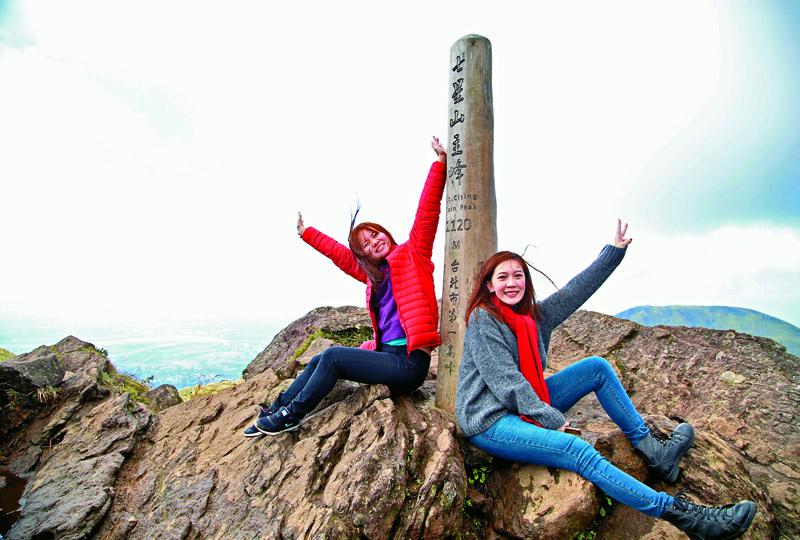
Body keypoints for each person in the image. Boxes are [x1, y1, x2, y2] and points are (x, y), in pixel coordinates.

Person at [454, 221, 756, 540]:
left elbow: (575, 290)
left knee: (596, 367)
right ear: (489, 285)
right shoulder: (483, 319)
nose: (511, 283)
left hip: (527, 402)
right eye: (502, 277)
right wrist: (552, 420)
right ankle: (686, 517)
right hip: (491, 420)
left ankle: (654, 450)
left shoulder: (533, 319)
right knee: (576, 449)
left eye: (518, 276)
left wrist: (614, 252)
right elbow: (508, 383)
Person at [244, 136, 447, 437]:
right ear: (364, 255)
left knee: (333, 357)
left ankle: (292, 416)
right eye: (366, 243)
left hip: (409, 363)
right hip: (387, 356)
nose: (374, 241)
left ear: (387, 235)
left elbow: (427, 211)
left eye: (376, 234)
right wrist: (308, 233)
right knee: (318, 358)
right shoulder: (374, 276)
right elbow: (340, 255)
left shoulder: (414, 254)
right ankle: (279, 407)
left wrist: (440, 164)